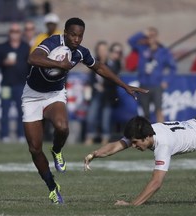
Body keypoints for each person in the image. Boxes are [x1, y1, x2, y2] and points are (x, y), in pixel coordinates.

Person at [22, 17, 148, 204]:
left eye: (80, 36)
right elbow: (32, 58)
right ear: (65, 32)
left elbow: (100, 67)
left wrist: (124, 85)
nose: (76, 39)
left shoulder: (80, 52)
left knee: (63, 127)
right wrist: (59, 64)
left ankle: (56, 150)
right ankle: (52, 187)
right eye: (73, 35)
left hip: (54, 94)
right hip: (32, 96)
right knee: (34, 148)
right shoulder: (53, 42)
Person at [128, 27, 177, 122]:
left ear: (157, 37)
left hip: (157, 86)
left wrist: (167, 81)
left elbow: (173, 68)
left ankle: (163, 133)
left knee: (158, 110)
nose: (151, 38)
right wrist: (142, 33)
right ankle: (147, 134)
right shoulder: (142, 49)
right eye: (149, 36)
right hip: (143, 85)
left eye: (153, 36)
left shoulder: (163, 51)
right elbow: (130, 41)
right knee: (145, 112)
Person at [84, 42, 124, 146]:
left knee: (106, 118)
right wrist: (92, 86)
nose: (102, 52)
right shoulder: (93, 61)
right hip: (96, 92)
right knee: (91, 116)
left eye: (104, 50)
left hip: (108, 94)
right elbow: (91, 77)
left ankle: (105, 138)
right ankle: (90, 136)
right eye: (100, 50)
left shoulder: (112, 62)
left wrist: (104, 85)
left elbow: (114, 76)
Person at [0, 23, 30, 143]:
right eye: (12, 31)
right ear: (9, 33)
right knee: (4, 111)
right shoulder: (2, 47)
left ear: (20, 33)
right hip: (6, 84)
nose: (14, 33)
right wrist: (4, 62)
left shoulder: (25, 47)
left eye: (16, 31)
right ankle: (4, 135)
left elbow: (29, 65)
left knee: (21, 111)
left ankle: (21, 135)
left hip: (21, 84)